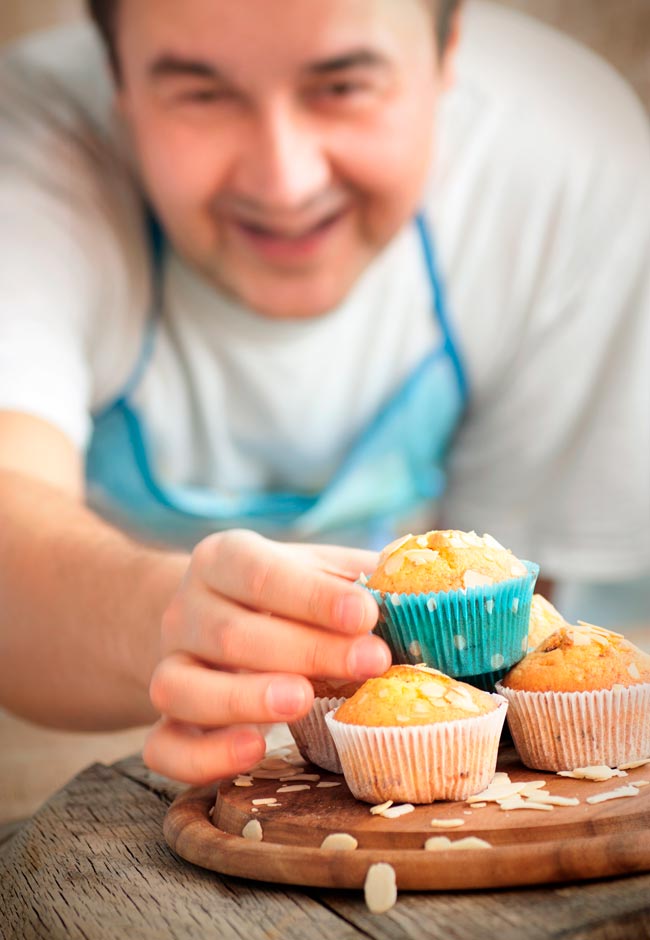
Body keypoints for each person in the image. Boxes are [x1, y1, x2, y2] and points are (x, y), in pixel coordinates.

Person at [0, 0, 648, 786]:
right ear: (116, 79)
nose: (285, 181)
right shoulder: (24, 157)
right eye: (203, 94)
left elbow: (525, 642)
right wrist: (162, 619)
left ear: (449, 53)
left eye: (341, 86)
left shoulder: (567, 168)